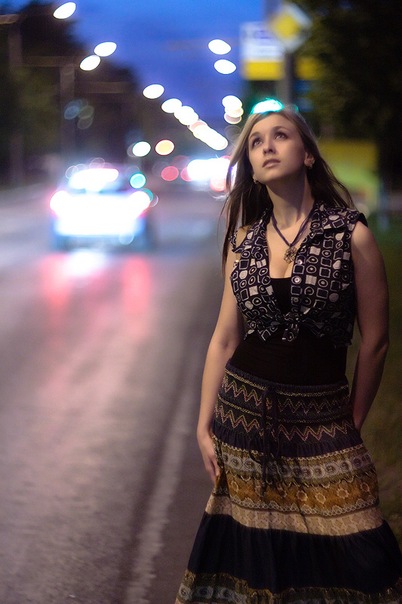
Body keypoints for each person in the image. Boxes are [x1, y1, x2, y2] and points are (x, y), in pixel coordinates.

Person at [175, 106, 402, 603]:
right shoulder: (243, 243)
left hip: (323, 419)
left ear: (308, 156)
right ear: (253, 168)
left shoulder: (351, 234)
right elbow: (224, 339)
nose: (267, 147)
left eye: (280, 136)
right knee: (261, 558)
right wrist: (202, 424)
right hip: (244, 418)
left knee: (362, 552)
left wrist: (354, 419)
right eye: (257, 143)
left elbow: (376, 341)